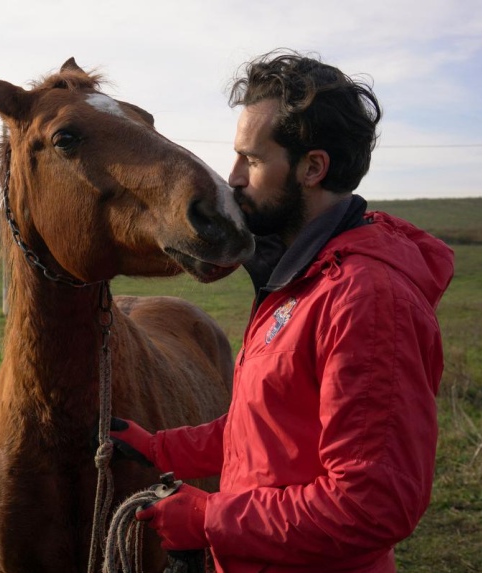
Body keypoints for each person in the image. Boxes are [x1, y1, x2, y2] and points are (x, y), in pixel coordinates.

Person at [110, 49, 455, 572]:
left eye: (251, 159)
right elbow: (266, 430)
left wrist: (208, 518)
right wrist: (159, 448)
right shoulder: (299, 280)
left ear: (312, 167)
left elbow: (371, 506)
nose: (234, 179)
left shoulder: (366, 301)